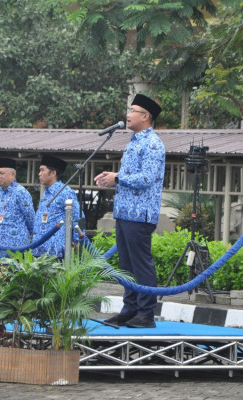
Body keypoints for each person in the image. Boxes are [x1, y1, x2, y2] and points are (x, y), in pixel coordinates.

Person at [94, 94, 165, 328]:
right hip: (124, 212)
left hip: (140, 213)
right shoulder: (134, 141)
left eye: (132, 110)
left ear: (145, 116)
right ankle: (130, 308)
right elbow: (131, 177)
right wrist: (111, 179)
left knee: (141, 264)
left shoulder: (153, 143)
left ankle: (146, 313)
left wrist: (118, 177)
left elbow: (147, 178)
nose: (128, 114)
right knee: (126, 265)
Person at [32, 154, 82, 259]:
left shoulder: (65, 192)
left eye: (42, 170)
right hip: (39, 248)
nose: (39, 174)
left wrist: (77, 240)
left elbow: (77, 215)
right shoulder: (46, 192)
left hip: (55, 250)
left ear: (53, 173)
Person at [0, 157, 35, 250]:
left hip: (17, 246)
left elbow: (30, 217)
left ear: (12, 174)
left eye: (1, 173)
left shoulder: (21, 192)